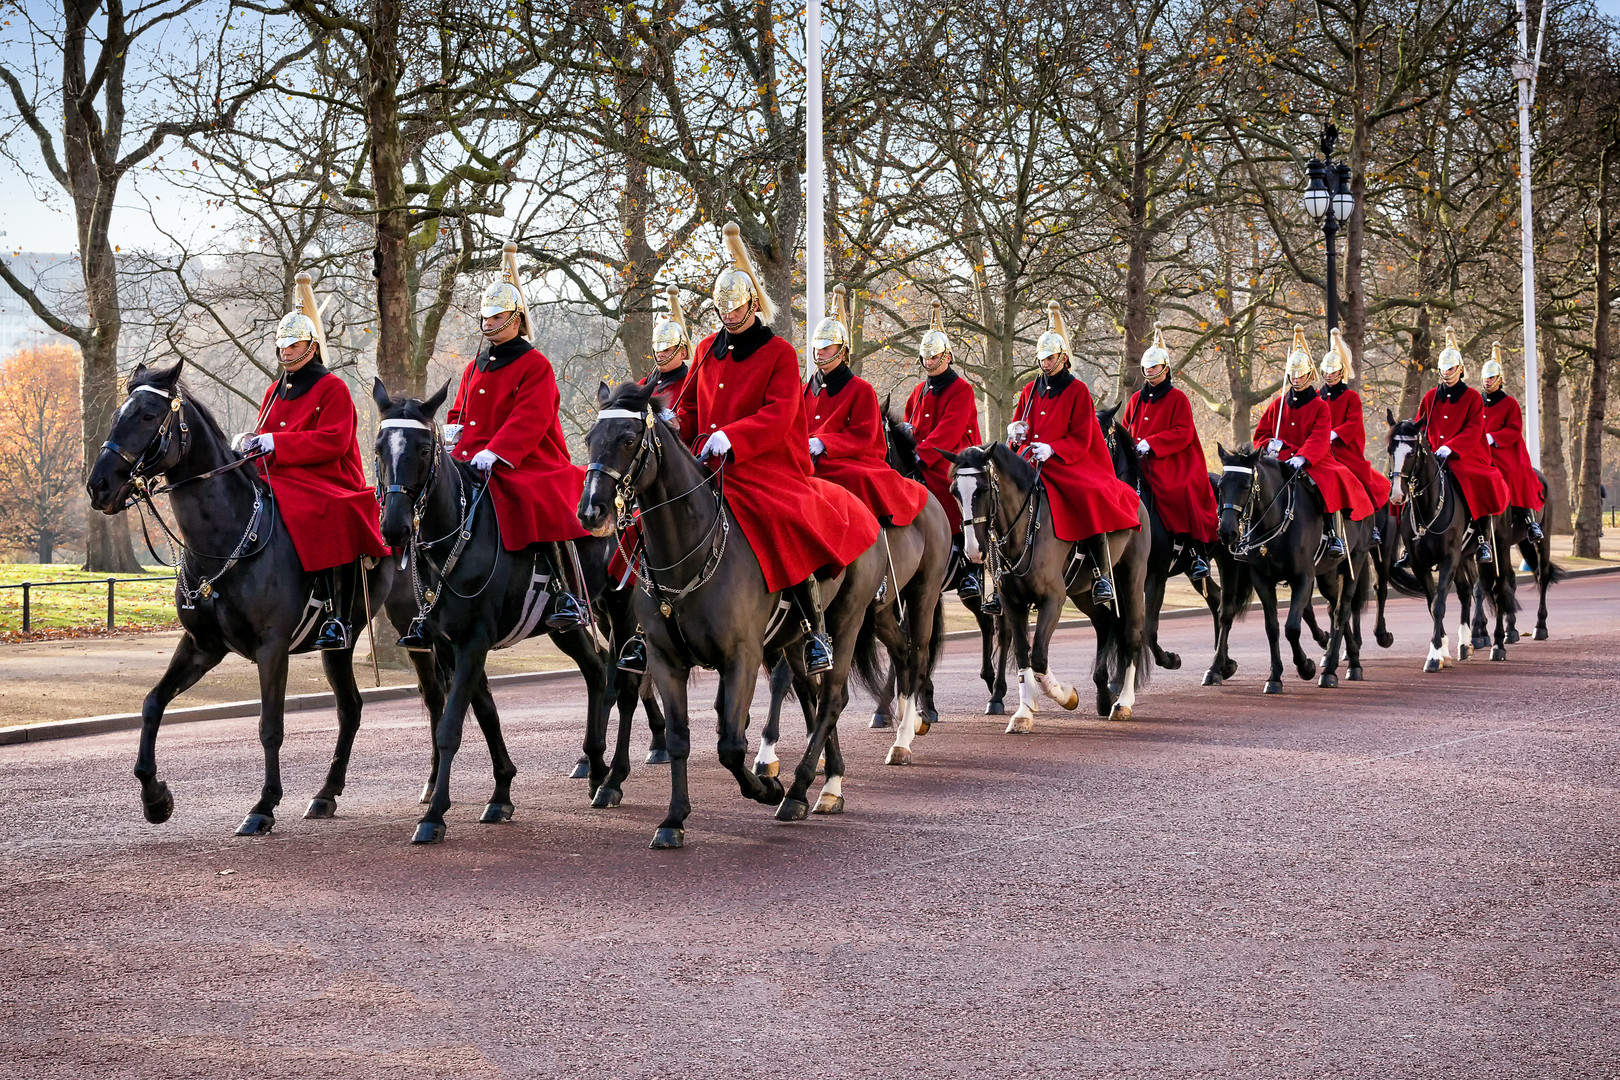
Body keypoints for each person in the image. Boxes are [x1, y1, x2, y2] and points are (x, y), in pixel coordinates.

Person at [672, 222, 880, 674]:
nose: (729, 316)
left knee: (785, 522)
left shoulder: (780, 353)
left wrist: (736, 436)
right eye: (722, 308)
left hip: (764, 467)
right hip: (707, 465)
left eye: (737, 307)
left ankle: (813, 628)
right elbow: (688, 404)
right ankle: (641, 626)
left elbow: (780, 414)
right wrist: (673, 424)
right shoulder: (706, 347)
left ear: (752, 305)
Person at [430, 241, 586, 644]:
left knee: (539, 499)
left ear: (516, 320)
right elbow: (458, 414)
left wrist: (497, 452)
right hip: (470, 459)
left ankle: (567, 592)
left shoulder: (535, 364)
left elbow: (530, 419)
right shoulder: (473, 366)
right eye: (486, 316)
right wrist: (451, 441)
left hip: (529, 459)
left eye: (498, 316)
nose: (490, 322)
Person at [233, 272, 387, 650]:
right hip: (277, 474)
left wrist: (277, 443)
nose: (285, 351)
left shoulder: (332, 387)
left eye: (293, 344)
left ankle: (336, 615)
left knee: (328, 510)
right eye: (282, 345)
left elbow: (334, 441)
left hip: (328, 476)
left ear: (311, 345)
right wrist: (250, 442)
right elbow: (265, 434)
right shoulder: (274, 389)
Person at [1005, 301, 1141, 604]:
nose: (1044, 363)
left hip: (1067, 463)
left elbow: (1081, 436)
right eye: (1041, 358)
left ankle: (1099, 573)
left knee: (1087, 496)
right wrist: (1014, 434)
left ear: (1063, 358)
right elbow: (1021, 429)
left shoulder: (1077, 390)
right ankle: (998, 576)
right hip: (1030, 461)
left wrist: (1052, 448)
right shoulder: (1028, 391)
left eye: (1050, 358)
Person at [804, 284, 929, 528]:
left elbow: (864, 436)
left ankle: (869, 533)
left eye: (826, 348)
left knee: (857, 478)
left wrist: (824, 443)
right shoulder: (807, 387)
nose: (819, 354)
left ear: (841, 351)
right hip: (806, 458)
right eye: (817, 348)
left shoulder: (861, 389)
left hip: (844, 459)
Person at [617, 288, 693, 674]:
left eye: (669, 350)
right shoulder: (646, 383)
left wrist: (679, 425)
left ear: (683, 349)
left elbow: (698, 417)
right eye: (658, 351)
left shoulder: (691, 380)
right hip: (649, 477)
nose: (662, 356)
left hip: (686, 472)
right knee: (629, 535)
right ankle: (636, 628)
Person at [1251, 326, 1374, 558]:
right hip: (1280, 459)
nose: (1296, 379)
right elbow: (1261, 434)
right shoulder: (1277, 405)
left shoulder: (1320, 406)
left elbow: (1319, 438)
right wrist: (1269, 444)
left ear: (1309, 375)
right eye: (1293, 375)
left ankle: (1334, 533)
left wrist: (1302, 457)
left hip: (1311, 460)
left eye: (1300, 375)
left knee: (1331, 481)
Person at [1121, 323, 1217, 580]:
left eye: (1154, 367)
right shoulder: (1135, 400)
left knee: (1181, 490)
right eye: (1147, 368)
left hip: (1173, 460)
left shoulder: (1178, 398)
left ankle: (1196, 552)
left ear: (1165, 369)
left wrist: (1152, 443)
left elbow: (1183, 432)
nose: (1150, 371)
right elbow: (1127, 427)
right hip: (1139, 460)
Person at [904, 299, 984, 603]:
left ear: (947, 357)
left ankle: (972, 567)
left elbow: (949, 431)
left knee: (952, 493)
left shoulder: (962, 389)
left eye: (934, 357)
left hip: (952, 458)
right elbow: (912, 421)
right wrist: (908, 436)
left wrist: (921, 453)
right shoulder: (918, 390)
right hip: (923, 455)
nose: (928, 362)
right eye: (925, 357)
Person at [1416, 327, 1511, 564]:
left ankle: (1481, 539)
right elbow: (1422, 424)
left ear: (1460, 369)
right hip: (1434, 455)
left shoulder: (1472, 398)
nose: (1447, 373)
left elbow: (1474, 429)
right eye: (1444, 369)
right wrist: (1426, 447)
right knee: (1410, 483)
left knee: (1477, 481)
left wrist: (1451, 447)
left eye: (1451, 369)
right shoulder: (1430, 397)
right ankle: (1410, 542)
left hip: (1465, 456)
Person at [1317, 327, 1390, 543]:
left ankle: (1373, 525)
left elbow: (1353, 423)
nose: (1329, 376)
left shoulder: (1351, 397)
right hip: (1320, 451)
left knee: (1362, 478)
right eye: (1326, 372)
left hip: (1344, 450)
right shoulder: (1317, 397)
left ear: (1341, 372)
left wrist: (1334, 434)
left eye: (1333, 372)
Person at [1480, 341, 1545, 542]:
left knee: (1514, 474)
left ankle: (1528, 519)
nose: (1487, 382)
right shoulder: (1476, 401)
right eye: (1485, 378)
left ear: (1499, 380)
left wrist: (1493, 437)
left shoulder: (1510, 404)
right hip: (1479, 450)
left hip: (1505, 450)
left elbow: (1514, 429)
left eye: (1491, 378)